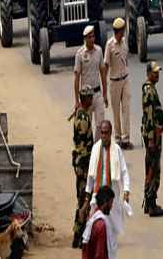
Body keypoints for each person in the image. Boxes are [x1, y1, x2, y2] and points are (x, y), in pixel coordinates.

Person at [84, 121, 130, 240]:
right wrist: (87, 198)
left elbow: (124, 171)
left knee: (112, 227)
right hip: (98, 193)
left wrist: (126, 191)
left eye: (106, 133)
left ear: (110, 133)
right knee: (97, 224)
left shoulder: (117, 149)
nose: (103, 135)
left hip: (111, 194)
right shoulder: (95, 148)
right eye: (102, 133)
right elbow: (90, 175)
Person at [140, 62, 163, 217]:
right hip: (153, 136)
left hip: (153, 134)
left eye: (158, 72)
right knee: (154, 169)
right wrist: (151, 140)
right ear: (149, 73)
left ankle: (148, 201)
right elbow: (150, 117)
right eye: (155, 73)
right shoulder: (149, 91)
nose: (157, 75)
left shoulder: (149, 88)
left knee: (150, 167)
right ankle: (151, 204)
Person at [74, 24, 107, 137]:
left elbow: (103, 72)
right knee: (86, 126)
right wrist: (77, 101)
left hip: (97, 94)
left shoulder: (99, 51)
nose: (92, 39)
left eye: (93, 36)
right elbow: (77, 78)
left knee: (100, 124)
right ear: (85, 39)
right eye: (90, 37)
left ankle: (97, 147)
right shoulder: (80, 54)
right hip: (86, 97)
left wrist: (105, 93)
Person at [72, 86, 95, 248]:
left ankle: (78, 234)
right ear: (84, 98)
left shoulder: (83, 114)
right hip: (83, 164)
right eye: (90, 97)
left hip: (82, 163)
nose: (92, 99)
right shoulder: (83, 118)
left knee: (83, 199)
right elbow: (83, 146)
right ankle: (78, 236)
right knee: (83, 200)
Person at [103, 18, 131, 149]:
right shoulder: (110, 45)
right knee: (116, 111)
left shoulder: (124, 43)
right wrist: (104, 91)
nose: (123, 33)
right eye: (122, 31)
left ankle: (126, 139)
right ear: (117, 32)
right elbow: (106, 67)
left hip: (125, 79)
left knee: (126, 109)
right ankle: (118, 138)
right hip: (114, 82)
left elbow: (126, 60)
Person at [81, 186, 116, 259]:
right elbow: (99, 254)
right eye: (111, 202)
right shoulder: (101, 225)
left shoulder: (93, 217)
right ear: (105, 202)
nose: (112, 206)